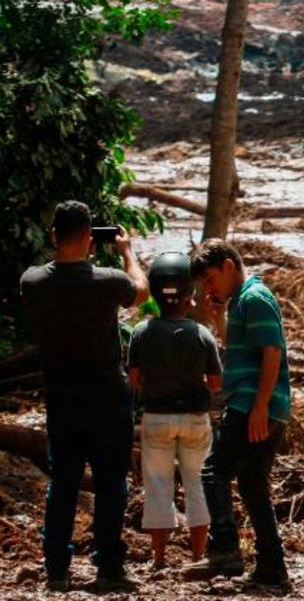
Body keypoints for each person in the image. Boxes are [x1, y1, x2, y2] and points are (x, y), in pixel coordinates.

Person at [20, 201, 149, 592]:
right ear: (91, 239)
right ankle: (108, 566)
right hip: (108, 398)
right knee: (111, 484)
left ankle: (57, 569)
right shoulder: (109, 280)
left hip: (63, 399)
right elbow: (141, 292)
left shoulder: (33, 282)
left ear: (54, 236)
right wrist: (127, 252)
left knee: (64, 483)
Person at [185, 239, 292, 591]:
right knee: (252, 485)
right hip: (259, 402)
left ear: (229, 266)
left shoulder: (254, 298)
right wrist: (218, 317)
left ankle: (227, 549)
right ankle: (271, 566)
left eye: (211, 278)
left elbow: (272, 352)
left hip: (252, 404)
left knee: (214, 471)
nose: (208, 287)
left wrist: (260, 405)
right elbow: (243, 347)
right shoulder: (244, 300)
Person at [128, 252, 222, 570]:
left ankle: (159, 559)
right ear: (189, 295)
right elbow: (215, 382)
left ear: (154, 292)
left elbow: (135, 379)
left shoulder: (142, 331)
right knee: (197, 484)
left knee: (157, 485)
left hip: (156, 417)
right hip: (196, 418)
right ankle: (197, 556)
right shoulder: (202, 334)